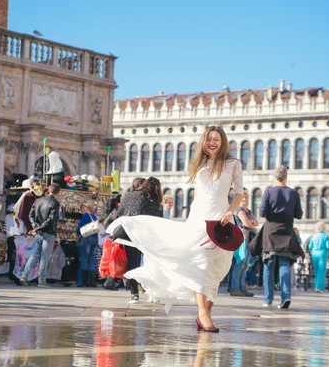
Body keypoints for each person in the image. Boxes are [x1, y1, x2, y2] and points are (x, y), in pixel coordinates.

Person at [106, 126, 244, 333]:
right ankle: (203, 313)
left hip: (222, 216)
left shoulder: (233, 164)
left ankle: (205, 312)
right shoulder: (199, 163)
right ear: (203, 142)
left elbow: (240, 194)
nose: (212, 143)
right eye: (209, 139)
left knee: (220, 266)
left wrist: (230, 212)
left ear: (223, 141)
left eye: (216, 139)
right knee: (202, 262)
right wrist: (193, 218)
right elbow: (199, 194)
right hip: (200, 216)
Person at [110, 177, 164, 303]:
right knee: (152, 264)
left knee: (132, 264)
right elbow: (155, 218)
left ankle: (134, 294)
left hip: (130, 234)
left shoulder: (128, 195)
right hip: (146, 236)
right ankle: (153, 294)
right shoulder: (151, 197)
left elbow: (119, 213)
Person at [258, 165, 304, 309]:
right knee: (285, 263)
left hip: (271, 230)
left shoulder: (268, 192)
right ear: (286, 177)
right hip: (286, 230)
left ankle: (268, 299)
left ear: (275, 177)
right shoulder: (293, 193)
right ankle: (286, 297)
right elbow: (299, 214)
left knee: (269, 264)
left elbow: (262, 212)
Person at [19, 183, 62, 288]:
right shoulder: (55, 203)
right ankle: (41, 280)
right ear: (58, 192)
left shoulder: (38, 200)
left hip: (39, 232)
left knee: (35, 255)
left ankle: (24, 276)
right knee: (44, 257)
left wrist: (35, 226)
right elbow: (51, 220)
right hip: (48, 232)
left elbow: (31, 215)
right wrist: (39, 228)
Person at [230, 193, 258, 297]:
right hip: (242, 238)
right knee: (240, 263)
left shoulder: (248, 211)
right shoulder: (239, 210)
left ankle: (242, 287)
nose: (245, 200)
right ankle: (235, 288)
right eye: (243, 198)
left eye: (246, 198)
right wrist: (252, 223)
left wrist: (251, 222)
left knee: (246, 265)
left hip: (249, 238)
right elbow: (246, 224)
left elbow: (257, 222)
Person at [77, 203, 100, 288]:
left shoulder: (86, 216)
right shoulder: (94, 216)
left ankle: (83, 281)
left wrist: (78, 234)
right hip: (95, 239)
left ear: (86, 208)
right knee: (91, 260)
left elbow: (80, 227)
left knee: (84, 259)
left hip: (87, 239)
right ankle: (92, 282)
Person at [308, 222, 329, 293]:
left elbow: (310, 246)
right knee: (322, 270)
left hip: (314, 253)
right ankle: (319, 288)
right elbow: (328, 246)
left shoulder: (313, 236)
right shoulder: (325, 236)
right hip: (322, 254)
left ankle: (316, 286)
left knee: (316, 271)